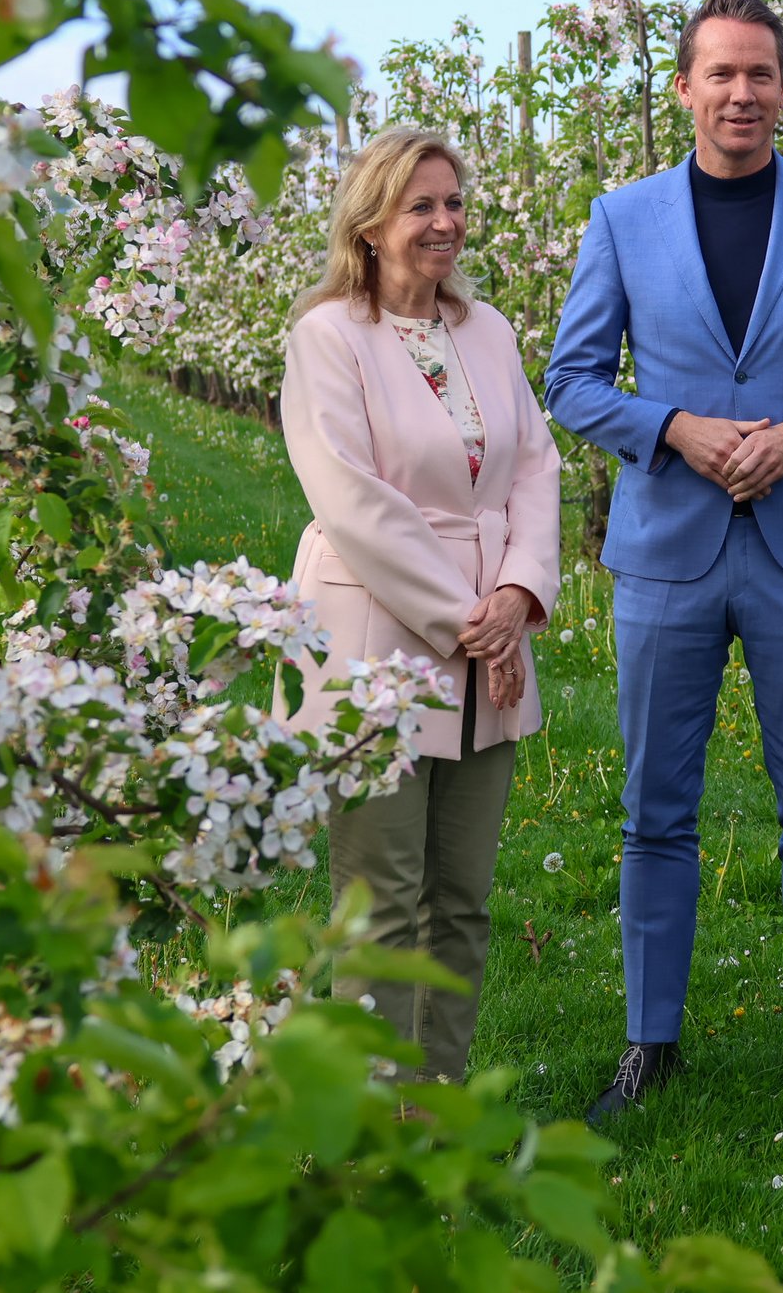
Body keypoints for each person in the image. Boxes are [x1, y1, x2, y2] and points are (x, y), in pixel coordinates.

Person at [545, 0, 783, 1122]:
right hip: (668, 552)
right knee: (656, 807)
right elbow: (570, 380)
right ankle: (648, 1041)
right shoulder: (623, 218)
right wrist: (670, 427)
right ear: (684, 88)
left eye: (761, 73)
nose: (742, 93)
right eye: (722, 73)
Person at [279, 125, 562, 1086]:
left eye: (454, 203)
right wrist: (471, 622)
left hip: (492, 635)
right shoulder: (328, 337)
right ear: (369, 225)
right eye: (421, 206)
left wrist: (518, 594)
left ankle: (438, 1106)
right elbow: (352, 498)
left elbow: (535, 468)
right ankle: (371, 1119)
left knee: (462, 898)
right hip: (379, 637)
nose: (445, 223)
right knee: (382, 901)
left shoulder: (486, 330)